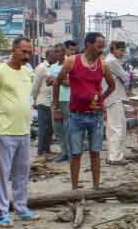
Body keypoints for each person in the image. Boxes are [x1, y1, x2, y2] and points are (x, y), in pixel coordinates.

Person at [0, 38, 37, 227]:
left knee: (22, 173)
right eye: (23, 52)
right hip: (4, 131)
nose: (27, 56)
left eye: (29, 52)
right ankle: (2, 213)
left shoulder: (28, 72)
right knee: (2, 173)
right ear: (13, 50)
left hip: (24, 130)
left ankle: (22, 208)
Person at [53, 32, 115, 191]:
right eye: (99, 46)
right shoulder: (73, 61)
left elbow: (112, 86)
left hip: (96, 116)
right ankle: (74, 189)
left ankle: (96, 187)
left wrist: (101, 98)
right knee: (76, 153)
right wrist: (56, 107)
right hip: (76, 116)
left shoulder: (103, 65)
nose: (102, 49)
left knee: (95, 152)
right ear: (88, 44)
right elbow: (57, 82)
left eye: (103, 46)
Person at [50, 40, 76, 163]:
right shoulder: (53, 67)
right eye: (55, 52)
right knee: (57, 129)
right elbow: (48, 82)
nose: (57, 54)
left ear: (64, 51)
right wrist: (56, 80)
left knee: (68, 128)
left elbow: (69, 83)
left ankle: (71, 153)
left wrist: (56, 79)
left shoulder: (69, 64)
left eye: (59, 51)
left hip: (67, 100)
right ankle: (63, 152)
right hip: (55, 100)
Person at [103, 41, 129, 164]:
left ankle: (114, 154)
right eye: (120, 50)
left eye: (123, 50)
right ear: (113, 49)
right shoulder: (111, 61)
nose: (122, 53)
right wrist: (125, 77)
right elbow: (125, 77)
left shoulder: (111, 60)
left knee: (113, 127)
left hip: (112, 97)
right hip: (114, 97)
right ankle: (115, 157)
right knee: (118, 128)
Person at [32, 47, 59, 157]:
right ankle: (40, 151)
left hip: (51, 101)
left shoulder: (54, 67)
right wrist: (34, 99)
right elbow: (35, 85)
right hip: (42, 101)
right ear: (48, 56)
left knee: (50, 128)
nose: (56, 57)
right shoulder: (41, 68)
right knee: (43, 128)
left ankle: (47, 149)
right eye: (54, 55)